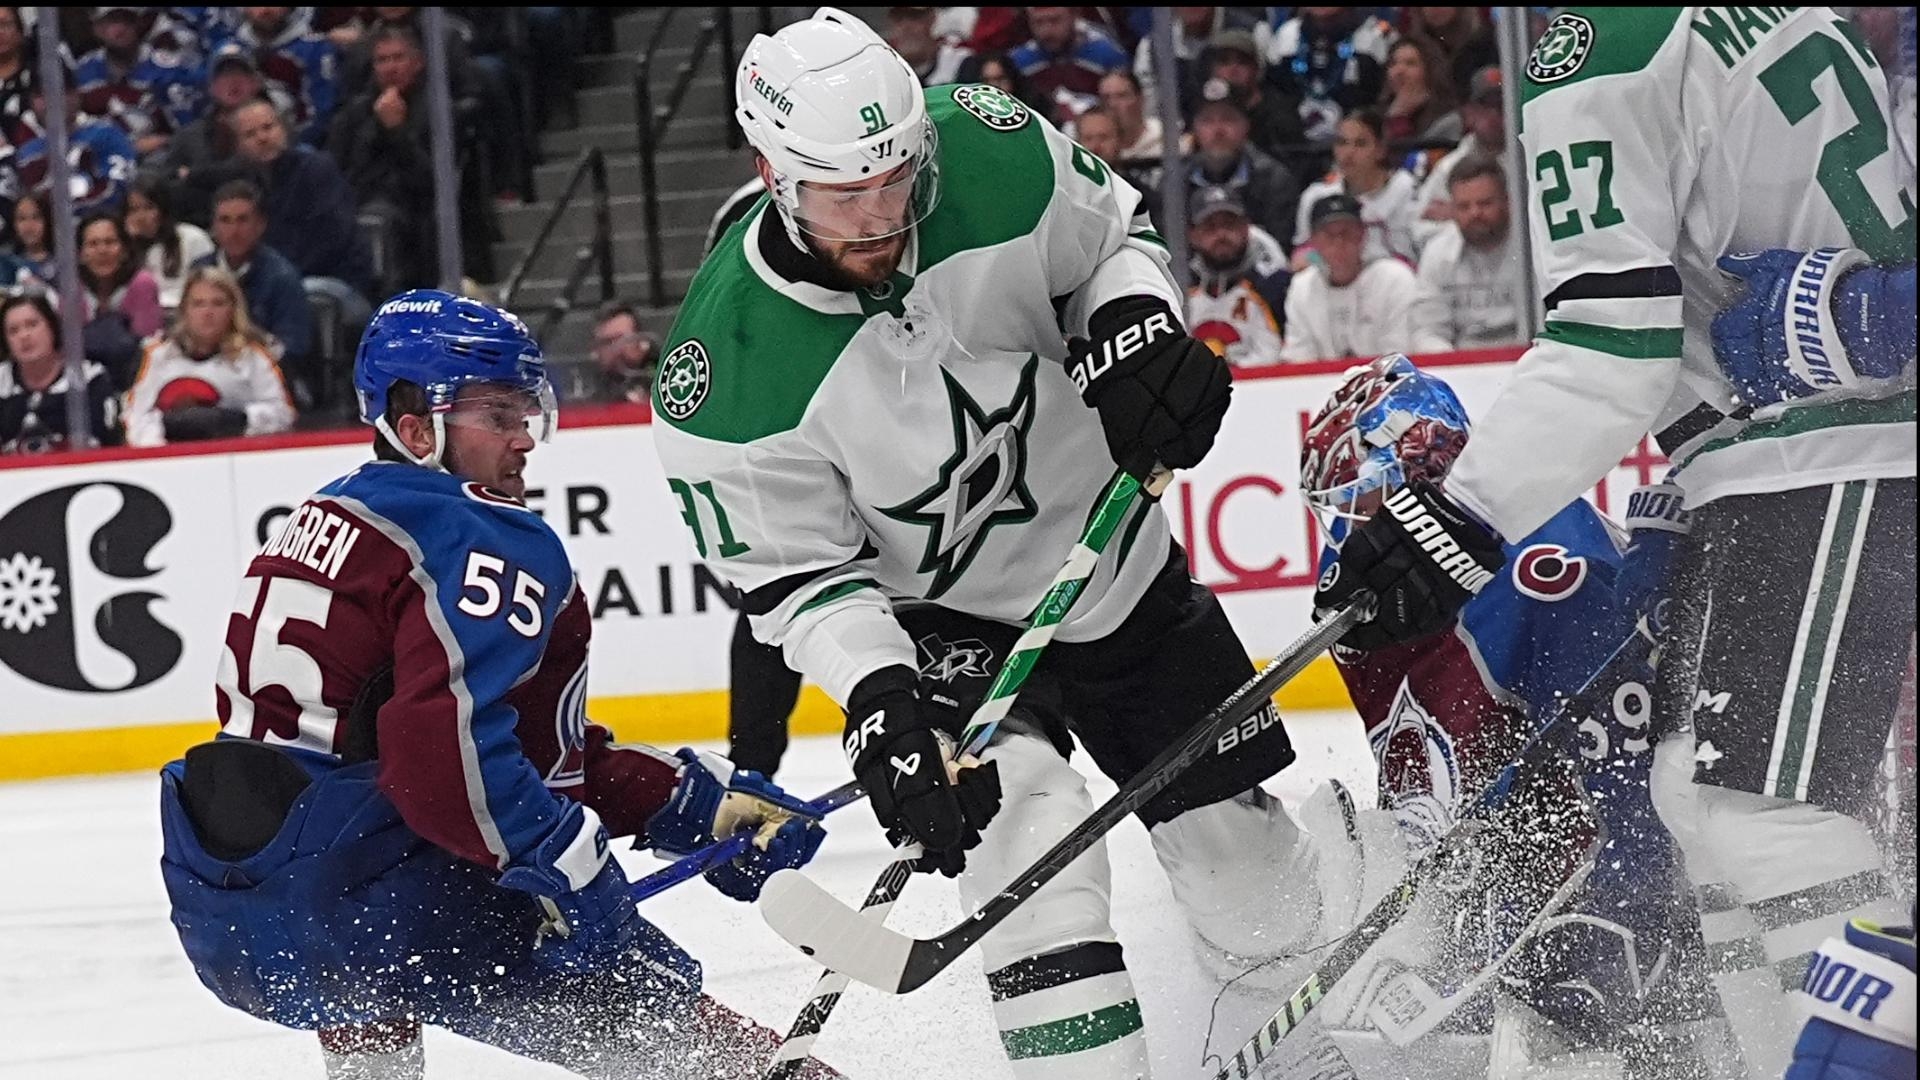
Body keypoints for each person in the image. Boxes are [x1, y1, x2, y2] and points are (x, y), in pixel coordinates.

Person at [656, 12, 1350, 1077]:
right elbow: (799, 582)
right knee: (1024, 843)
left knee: (1240, 861)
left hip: (1113, 563)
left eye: (897, 179)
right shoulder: (721, 375)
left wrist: (1136, 330)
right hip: (940, 623)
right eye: (844, 197)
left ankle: (1314, 1057)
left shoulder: (991, 145)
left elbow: (1113, 248)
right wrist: (880, 700)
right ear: (771, 174)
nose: (882, 218)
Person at [1314, 10, 1916, 1078]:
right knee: (1694, 792)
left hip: (1823, 441)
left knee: (1767, 812)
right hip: (1779, 443)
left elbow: (1612, 344)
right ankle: (1770, 1059)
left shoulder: (1602, 40)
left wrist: (1456, 516)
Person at [156, 289, 842, 1080]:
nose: (524, 438)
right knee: (673, 1027)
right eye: (497, 415)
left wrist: (687, 802)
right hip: (379, 907)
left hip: (233, 911)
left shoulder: (323, 517)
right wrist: (567, 866)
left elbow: (471, 753)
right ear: (417, 428)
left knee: (366, 967)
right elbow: (444, 757)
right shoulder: (482, 532)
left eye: (525, 412)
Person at [1297, 354, 1712, 1075]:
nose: (1348, 532)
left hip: (1632, 894)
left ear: (1421, 473)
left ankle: (1645, 964)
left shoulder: (1546, 563)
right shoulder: (1388, 608)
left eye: (1361, 501)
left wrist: (1616, 914)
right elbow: (1439, 781)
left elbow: (1626, 764)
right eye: (1338, 510)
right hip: (1509, 902)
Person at [326, 22, 464, 294]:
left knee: (381, 221)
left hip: (416, 210)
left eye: (398, 58)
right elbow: (341, 171)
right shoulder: (353, 114)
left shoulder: (439, 110)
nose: (390, 68)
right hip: (361, 202)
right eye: (382, 60)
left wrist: (396, 132)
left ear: (418, 62)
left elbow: (431, 181)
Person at [123, 266, 296, 446]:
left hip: (237, 451)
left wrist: (236, 420)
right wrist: (160, 446)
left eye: (218, 303)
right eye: (198, 304)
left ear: (233, 309)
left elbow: (283, 414)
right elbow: (136, 416)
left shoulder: (254, 356)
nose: (207, 313)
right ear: (184, 310)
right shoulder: (157, 355)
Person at [229, 98, 374, 301]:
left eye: (268, 127)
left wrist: (280, 277)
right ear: (238, 146)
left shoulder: (317, 169)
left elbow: (332, 240)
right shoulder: (246, 184)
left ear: (284, 129)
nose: (262, 138)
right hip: (281, 280)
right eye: (250, 134)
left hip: (337, 281)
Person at [1280, 193, 1417, 362]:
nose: (1339, 243)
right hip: (1323, 378)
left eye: (1347, 233)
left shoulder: (1394, 279)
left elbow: (1401, 352)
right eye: (1329, 235)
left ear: (1363, 235)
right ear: (1313, 241)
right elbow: (1299, 357)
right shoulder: (1302, 287)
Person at [1409, 156, 1524, 352]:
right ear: (1452, 208)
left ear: (1507, 201)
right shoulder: (1437, 251)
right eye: (1464, 206)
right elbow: (1428, 331)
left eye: (1485, 203)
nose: (1474, 213)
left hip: (1527, 356)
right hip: (1461, 360)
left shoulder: (1531, 246)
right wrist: (1453, 364)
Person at [195, 179, 313, 370]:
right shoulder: (200, 271)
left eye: (242, 220)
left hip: (262, 373)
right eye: (225, 220)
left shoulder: (282, 277)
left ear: (260, 225)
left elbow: (293, 349)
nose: (234, 231)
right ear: (214, 227)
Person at [1293, 107, 1421, 265]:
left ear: (1381, 150)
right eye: (1342, 143)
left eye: (1360, 144)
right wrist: (1319, 261)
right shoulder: (1316, 195)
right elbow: (1302, 254)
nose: (1348, 153)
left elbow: (1419, 250)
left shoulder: (1406, 188)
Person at [0, 292, 121, 454]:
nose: (24, 336)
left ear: (52, 327)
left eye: (32, 325)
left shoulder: (90, 379)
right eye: (13, 331)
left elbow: (109, 444)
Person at [1187, 85, 1303, 254]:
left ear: (1246, 126)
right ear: (1194, 129)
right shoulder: (1174, 183)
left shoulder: (1275, 180)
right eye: (1207, 121)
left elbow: (1280, 248)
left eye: (1228, 119)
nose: (1218, 130)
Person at [1185, 184, 1289, 367]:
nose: (1221, 235)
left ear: (1246, 229)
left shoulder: (1274, 289)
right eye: (1210, 227)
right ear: (1193, 235)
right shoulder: (1177, 291)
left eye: (1229, 224)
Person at [75, 5, 199, 156]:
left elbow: (187, 132)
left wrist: (162, 142)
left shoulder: (167, 69)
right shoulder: (82, 71)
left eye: (127, 20)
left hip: (158, 158)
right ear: (98, 29)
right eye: (113, 21)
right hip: (100, 156)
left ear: (138, 24)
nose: (121, 28)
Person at [1261, 7, 1395, 147]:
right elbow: (1272, 92)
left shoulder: (1372, 38)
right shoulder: (1286, 35)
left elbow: (1380, 99)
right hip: (1290, 147)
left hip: (1354, 147)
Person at [1411, 65, 1505, 254]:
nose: (1494, 115)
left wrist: (1457, 213)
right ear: (1468, 113)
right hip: (1464, 262)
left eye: (1501, 106)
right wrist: (1464, 220)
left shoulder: (1533, 157)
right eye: (1485, 106)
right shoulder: (1448, 167)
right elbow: (1419, 230)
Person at [218, 6, 340, 147]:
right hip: (240, 151)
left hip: (300, 148)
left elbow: (322, 114)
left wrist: (287, 147)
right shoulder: (228, 52)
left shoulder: (315, 48)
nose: (265, 10)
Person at [76, 212, 164, 389]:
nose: (102, 251)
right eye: (93, 244)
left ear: (124, 251)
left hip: (135, 380)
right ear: (81, 254)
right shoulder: (72, 289)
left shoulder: (142, 284)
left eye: (110, 242)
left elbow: (148, 347)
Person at [1201, 27, 1307, 171]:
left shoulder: (1279, 115)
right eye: (1224, 62)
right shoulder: (1201, 107)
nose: (1233, 69)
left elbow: (1292, 167)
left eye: (1242, 62)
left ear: (1256, 69)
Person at [1009, 5, 1130, 125]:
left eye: (1055, 20)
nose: (1047, 31)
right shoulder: (1019, 62)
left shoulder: (1107, 54)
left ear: (1074, 16)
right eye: (1038, 22)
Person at [125, 176, 215, 312]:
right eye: (134, 210)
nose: (141, 217)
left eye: (149, 208)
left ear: (163, 209)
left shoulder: (193, 238)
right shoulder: (124, 248)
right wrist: (129, 243)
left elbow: (206, 287)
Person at [1379, 36, 1462, 149]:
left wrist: (1399, 119)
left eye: (1410, 63)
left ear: (1430, 71)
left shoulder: (1447, 118)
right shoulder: (1378, 115)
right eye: (1393, 63)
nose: (1399, 71)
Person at [588, 299, 657, 404]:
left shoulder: (663, 376)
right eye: (607, 342)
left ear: (641, 340)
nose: (615, 348)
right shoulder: (591, 394)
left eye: (622, 339)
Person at [886, 5, 970, 87]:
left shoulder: (958, 62)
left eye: (914, 17)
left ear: (933, 20)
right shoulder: (886, 64)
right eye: (899, 19)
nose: (906, 27)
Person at [1096, 69, 1161, 163]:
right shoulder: (1088, 145)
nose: (1112, 104)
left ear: (1140, 99)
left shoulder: (1165, 139)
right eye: (1105, 98)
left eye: (1121, 96)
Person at [7, 189, 51, 284]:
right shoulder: (6, 264)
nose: (29, 226)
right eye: (22, 219)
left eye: (36, 217)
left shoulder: (63, 263)